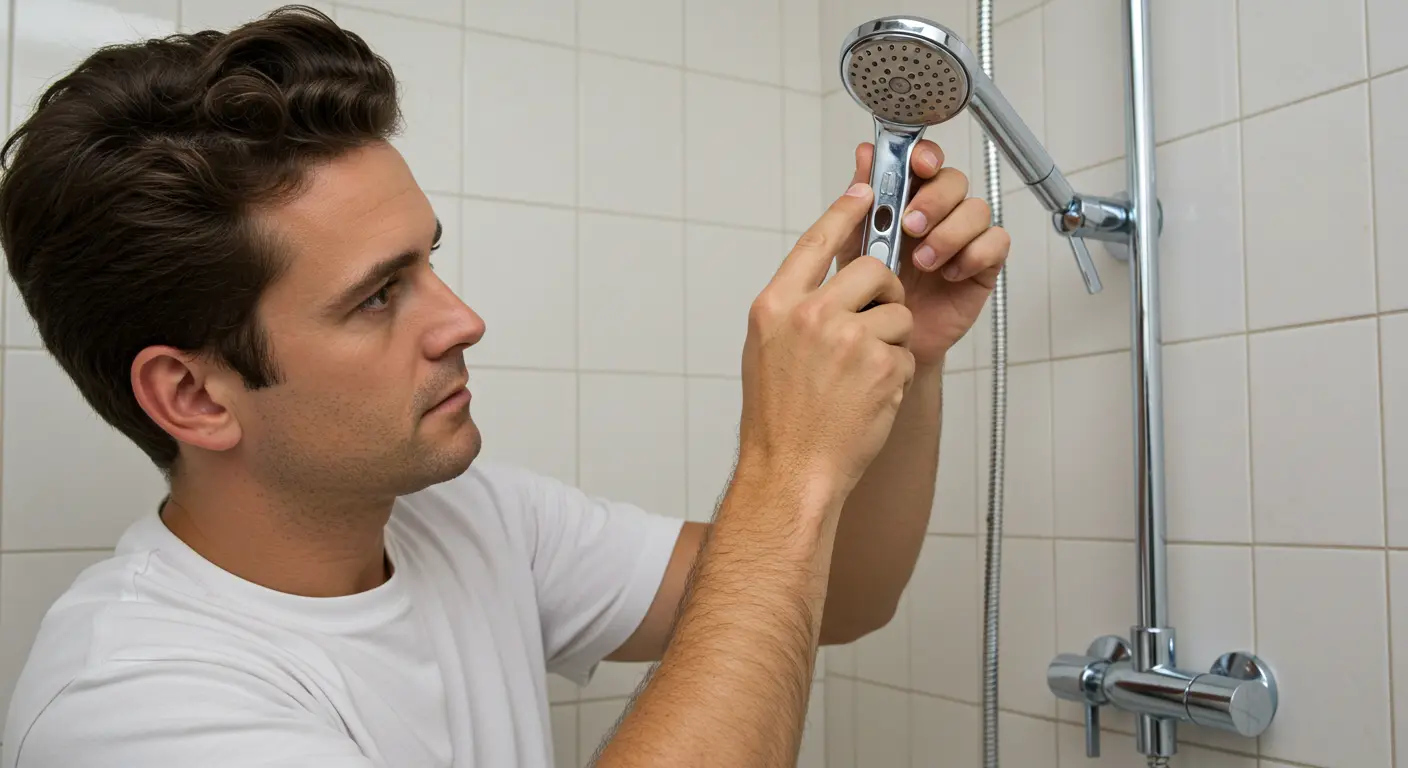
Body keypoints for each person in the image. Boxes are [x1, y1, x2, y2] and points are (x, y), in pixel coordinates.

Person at [0, 6, 1008, 768]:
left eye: (427, 260)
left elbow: (838, 598)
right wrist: (783, 467)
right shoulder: (137, 708)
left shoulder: (465, 519)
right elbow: (786, 548)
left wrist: (904, 356)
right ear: (195, 397)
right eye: (377, 297)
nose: (462, 319)